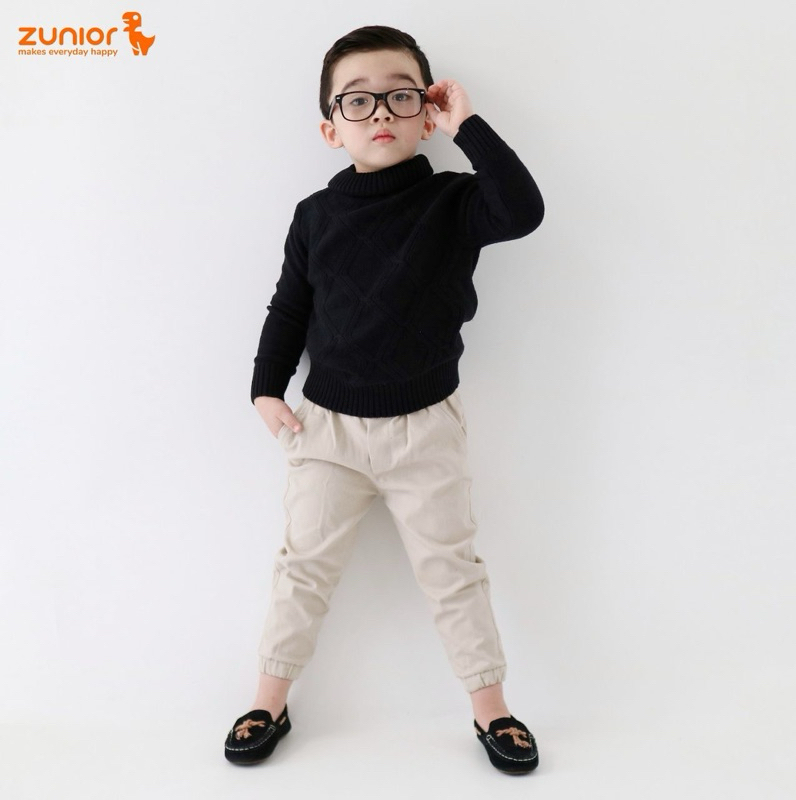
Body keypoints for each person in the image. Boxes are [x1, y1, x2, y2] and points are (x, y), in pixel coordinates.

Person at [224, 25, 545, 775]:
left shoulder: (454, 201)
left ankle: (491, 709)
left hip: (425, 429)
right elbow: (289, 307)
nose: (380, 113)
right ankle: (269, 699)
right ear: (330, 127)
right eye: (358, 100)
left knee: (452, 572)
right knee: (302, 568)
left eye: (401, 97)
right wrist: (265, 387)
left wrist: (468, 124)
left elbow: (523, 211)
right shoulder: (315, 215)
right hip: (327, 430)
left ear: (426, 112)